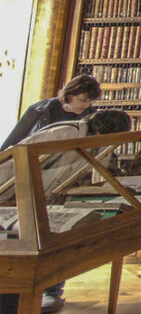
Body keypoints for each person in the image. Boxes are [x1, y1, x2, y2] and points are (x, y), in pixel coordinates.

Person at [0, 109, 131, 314]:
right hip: (15, 195)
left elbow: (107, 170)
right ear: (100, 130)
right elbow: (17, 159)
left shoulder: (96, 144)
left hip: (49, 199)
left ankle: (50, 291)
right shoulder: (65, 133)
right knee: (17, 253)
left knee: (54, 245)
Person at [2, 75, 101, 151]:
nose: (87, 105)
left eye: (91, 101)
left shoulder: (92, 116)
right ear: (70, 94)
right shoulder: (39, 110)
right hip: (35, 164)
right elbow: (13, 140)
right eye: (83, 100)